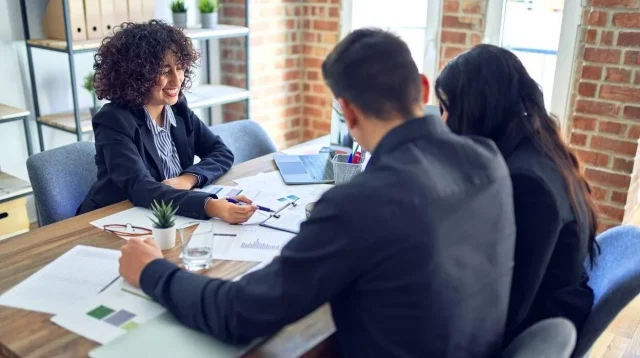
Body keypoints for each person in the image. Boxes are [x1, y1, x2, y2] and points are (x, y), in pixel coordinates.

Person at [118, 29, 517, 357]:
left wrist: (152, 271)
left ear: (348, 111)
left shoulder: (361, 202)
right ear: (424, 88)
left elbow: (239, 315)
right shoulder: (488, 159)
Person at [435, 44, 600, 343]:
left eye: (446, 108)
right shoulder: (539, 152)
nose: (443, 122)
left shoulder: (526, 183)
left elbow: (504, 310)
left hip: (530, 338)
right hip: (548, 317)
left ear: (476, 109)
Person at [77, 20, 257, 223]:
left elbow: (221, 152)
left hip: (165, 215)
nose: (176, 80)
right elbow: (141, 188)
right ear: (137, 75)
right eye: (164, 70)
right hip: (113, 218)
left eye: (179, 67)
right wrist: (210, 205)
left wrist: (188, 179)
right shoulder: (113, 121)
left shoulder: (177, 109)